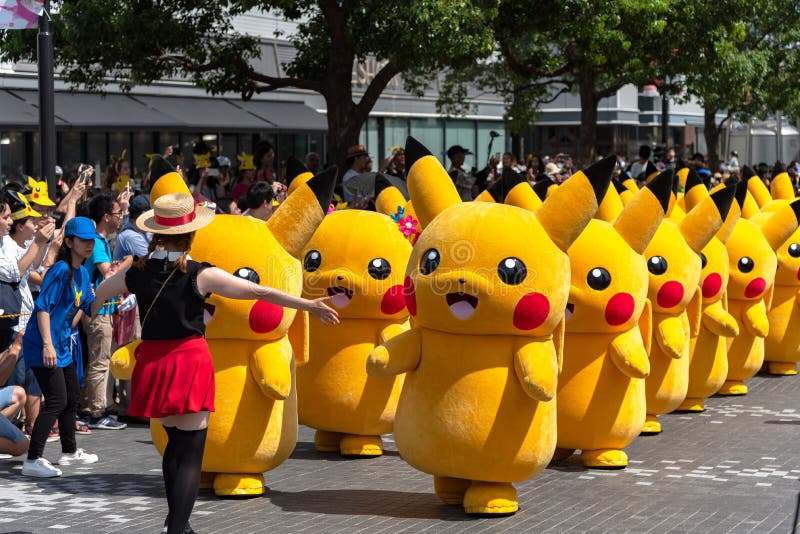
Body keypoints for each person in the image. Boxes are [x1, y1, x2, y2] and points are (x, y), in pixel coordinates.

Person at [92, 192, 339, 534]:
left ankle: (176, 521)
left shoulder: (137, 269)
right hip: (188, 362)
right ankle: (178, 527)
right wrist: (309, 305)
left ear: (156, 232)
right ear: (191, 234)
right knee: (191, 452)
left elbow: (102, 292)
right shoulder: (200, 274)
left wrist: (87, 310)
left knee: (174, 445)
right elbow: (259, 293)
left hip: (153, 362)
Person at [21, 217, 99, 478]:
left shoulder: (83, 272)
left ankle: (69, 452)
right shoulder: (60, 271)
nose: (90, 245)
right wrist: (47, 345)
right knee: (56, 400)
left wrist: (112, 287)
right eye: (84, 240)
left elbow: (87, 306)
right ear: (69, 242)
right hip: (42, 344)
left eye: (92, 240)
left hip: (61, 344)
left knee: (71, 398)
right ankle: (32, 460)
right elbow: (42, 308)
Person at [82, 192, 130, 430]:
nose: (120, 217)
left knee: (101, 359)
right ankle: (95, 412)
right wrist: (130, 261)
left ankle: (96, 406)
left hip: (102, 309)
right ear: (105, 217)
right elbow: (107, 274)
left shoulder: (99, 241)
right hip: (98, 310)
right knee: (100, 361)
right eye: (117, 213)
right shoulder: (98, 243)